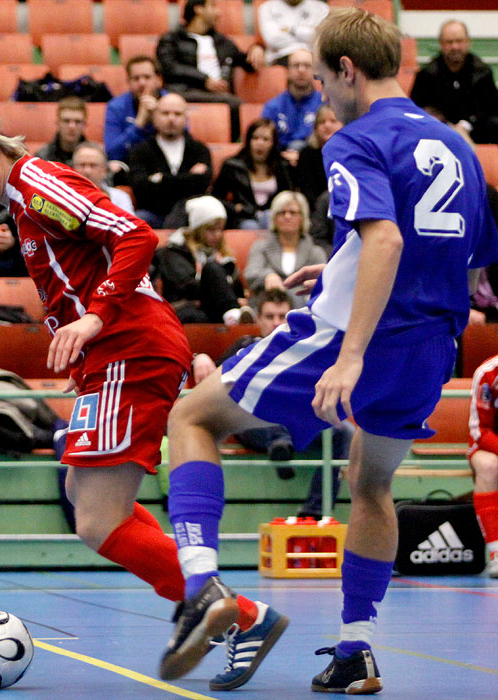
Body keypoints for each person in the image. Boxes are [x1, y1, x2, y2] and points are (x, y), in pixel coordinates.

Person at [158, 7, 498, 694]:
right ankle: (355, 649)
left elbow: (387, 241)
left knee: (191, 417)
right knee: (369, 485)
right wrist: (342, 261)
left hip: (351, 337)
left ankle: (200, 586)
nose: (319, 91)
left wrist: (348, 353)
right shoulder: (456, 147)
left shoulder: (354, 139)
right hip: (431, 345)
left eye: (318, 78)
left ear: (346, 70)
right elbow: (472, 267)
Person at [0, 94, 264, 686]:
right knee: (85, 495)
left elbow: (135, 234)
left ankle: (234, 614)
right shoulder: (22, 200)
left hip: (127, 350)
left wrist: (95, 318)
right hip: (110, 357)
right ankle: (224, 608)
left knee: (96, 521)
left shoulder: (36, 183)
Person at [192, 288, 352, 518]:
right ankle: (280, 443)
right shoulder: (244, 346)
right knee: (268, 407)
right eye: (270, 316)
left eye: (282, 316)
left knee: (344, 431)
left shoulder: (306, 349)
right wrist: (200, 357)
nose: (276, 323)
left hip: (294, 424)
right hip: (251, 426)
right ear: (258, 318)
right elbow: (212, 381)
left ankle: (314, 512)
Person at [156, 0, 265, 141]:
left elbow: (247, 63)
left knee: (237, 105)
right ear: (198, 9)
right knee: (233, 103)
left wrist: (257, 48)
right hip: (184, 92)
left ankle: (229, 143)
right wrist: (204, 80)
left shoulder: (222, 42)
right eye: (212, 6)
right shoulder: (172, 39)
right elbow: (169, 68)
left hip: (219, 95)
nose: (218, 13)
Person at [151, 195, 253, 325]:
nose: (217, 235)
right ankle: (233, 315)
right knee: (212, 268)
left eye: (220, 229)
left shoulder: (223, 254)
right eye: (211, 229)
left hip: (216, 307)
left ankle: (234, 315)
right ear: (198, 229)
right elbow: (186, 286)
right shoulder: (174, 251)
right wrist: (213, 277)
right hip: (188, 305)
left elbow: (237, 289)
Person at [128, 92, 212, 228]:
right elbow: (141, 189)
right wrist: (188, 178)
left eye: (177, 114)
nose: (171, 119)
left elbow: (201, 185)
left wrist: (161, 179)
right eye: (165, 113)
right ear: (154, 117)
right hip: (154, 215)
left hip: (191, 216)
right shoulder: (140, 151)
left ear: (186, 118)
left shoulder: (199, 149)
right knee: (138, 219)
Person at [410, 20, 498, 145]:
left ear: (468, 42)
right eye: (449, 42)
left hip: (475, 131)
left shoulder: (483, 73)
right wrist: (446, 126)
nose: (455, 47)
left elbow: (491, 108)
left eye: (459, 41)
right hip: (438, 132)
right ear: (440, 44)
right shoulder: (427, 75)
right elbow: (416, 110)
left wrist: (464, 126)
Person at [244, 190, 327, 308]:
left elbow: (321, 282)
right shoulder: (260, 247)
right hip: (267, 302)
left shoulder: (315, 252)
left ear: (302, 218)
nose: (287, 216)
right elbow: (250, 274)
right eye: (282, 213)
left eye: (293, 213)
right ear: (274, 218)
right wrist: (268, 276)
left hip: (302, 304)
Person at [211, 118, 294, 230]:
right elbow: (216, 197)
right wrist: (235, 208)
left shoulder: (283, 166)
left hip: (273, 216)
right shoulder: (232, 165)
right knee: (250, 226)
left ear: (273, 143)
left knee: (268, 217)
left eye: (266, 139)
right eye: (255, 138)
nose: (260, 143)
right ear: (248, 141)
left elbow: (289, 196)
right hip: (243, 217)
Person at [262, 49, 323, 166]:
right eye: (296, 65)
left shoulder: (325, 104)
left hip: (315, 163)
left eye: (307, 66)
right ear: (288, 70)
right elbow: (266, 141)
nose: (301, 70)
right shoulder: (272, 107)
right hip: (280, 163)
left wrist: (302, 156)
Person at [468, 354, 498, 578]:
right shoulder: (487, 373)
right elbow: (480, 431)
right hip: (488, 446)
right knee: (489, 467)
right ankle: (496, 553)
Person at [104, 56, 165, 164]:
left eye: (147, 77)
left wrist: (158, 118)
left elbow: (183, 144)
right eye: (136, 78)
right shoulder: (116, 106)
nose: (141, 83)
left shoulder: (172, 103)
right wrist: (138, 125)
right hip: (130, 164)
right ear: (128, 81)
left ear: (158, 80)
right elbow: (112, 152)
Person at [294, 103, 342, 209]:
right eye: (322, 122)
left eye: (333, 121)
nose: (327, 125)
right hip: (316, 210)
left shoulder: (352, 154)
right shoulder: (307, 154)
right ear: (315, 129)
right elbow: (306, 191)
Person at [256, 0, 329, 67]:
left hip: (314, 58)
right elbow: (273, 40)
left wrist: (291, 30)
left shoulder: (322, 8)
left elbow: (320, 39)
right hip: (280, 58)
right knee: (300, 62)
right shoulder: (267, 8)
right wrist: (307, 34)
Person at [71, 142, 134, 214]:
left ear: (104, 170)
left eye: (93, 165)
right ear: (73, 168)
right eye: (82, 165)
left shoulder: (120, 197)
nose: (87, 171)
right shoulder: (62, 197)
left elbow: (129, 224)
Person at [36, 96, 87, 166]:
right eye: (66, 121)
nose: (72, 126)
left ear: (84, 125)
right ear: (58, 123)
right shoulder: (42, 157)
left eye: (77, 122)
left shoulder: (96, 157)